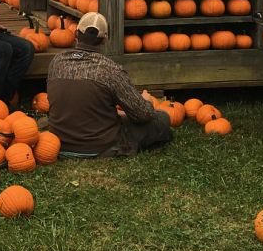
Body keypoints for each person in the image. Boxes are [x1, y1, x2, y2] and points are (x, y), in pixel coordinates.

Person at [46, 12, 172, 157]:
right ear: (105, 39)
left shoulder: (56, 62)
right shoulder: (111, 69)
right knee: (162, 119)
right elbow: (143, 115)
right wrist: (147, 101)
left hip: (59, 142)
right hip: (101, 145)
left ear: (75, 33)